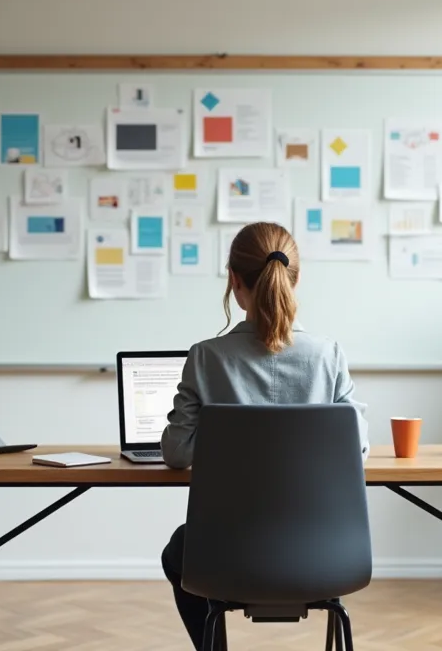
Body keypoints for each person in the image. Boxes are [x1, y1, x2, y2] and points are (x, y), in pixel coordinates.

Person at [158, 221, 370, 649]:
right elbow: (356, 449)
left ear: (234, 280)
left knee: (178, 551)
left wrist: (225, 446)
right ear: (297, 276)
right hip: (326, 554)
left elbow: (177, 453)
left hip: (224, 556)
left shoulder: (205, 357)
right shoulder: (329, 355)